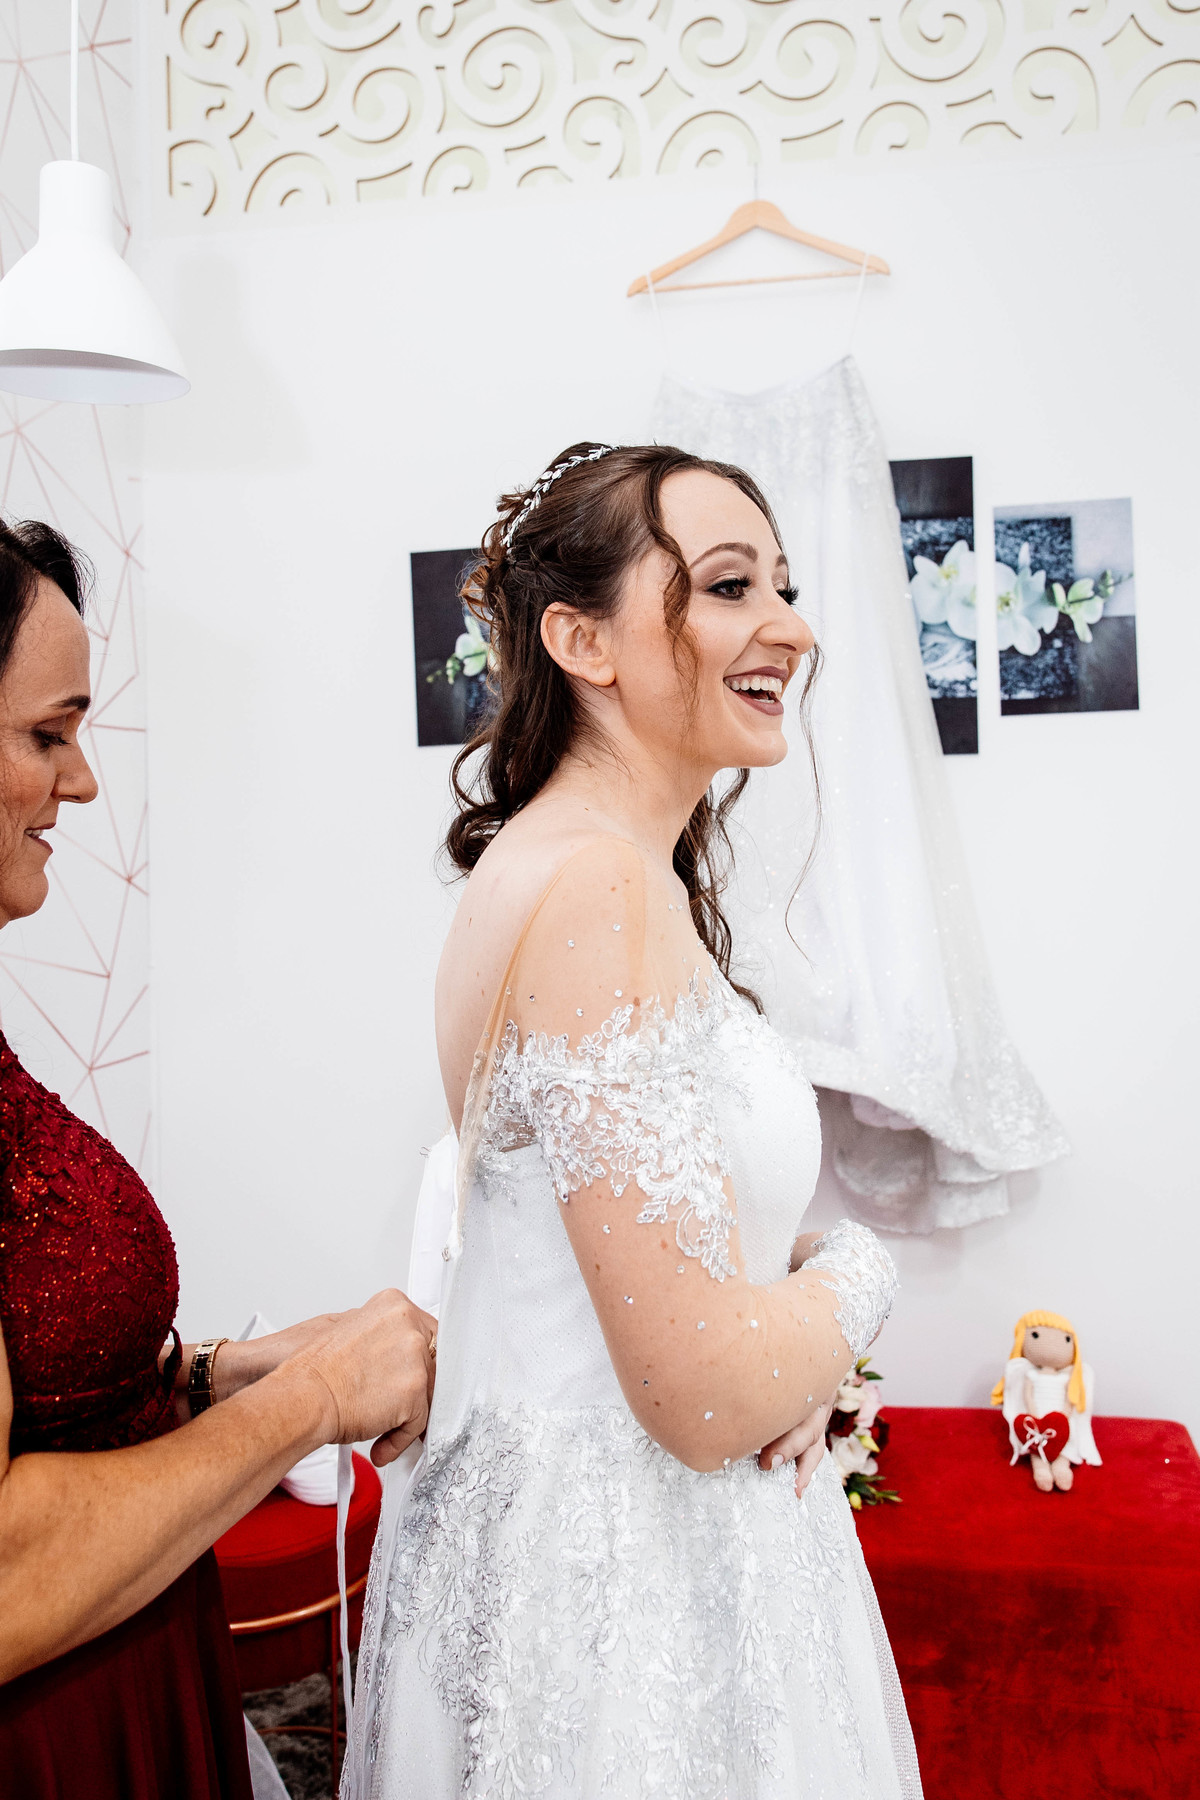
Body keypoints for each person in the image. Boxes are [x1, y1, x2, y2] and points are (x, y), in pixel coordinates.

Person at [346, 444, 923, 1797]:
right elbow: (700, 1389)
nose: (793, 625)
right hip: (627, 1612)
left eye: (784, 583)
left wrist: (788, 1334)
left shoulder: (583, 872)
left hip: (622, 1569)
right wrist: (860, 1274)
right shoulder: (594, 890)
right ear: (579, 639)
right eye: (731, 586)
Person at [0, 518, 438, 1799]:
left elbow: (50, 1402)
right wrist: (314, 1405)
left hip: (130, 1670)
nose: (81, 784)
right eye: (46, 734)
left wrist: (220, 1377)